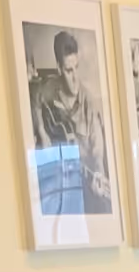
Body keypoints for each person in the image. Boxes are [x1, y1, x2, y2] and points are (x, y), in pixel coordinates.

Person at [29, 27, 113, 217]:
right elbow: (35, 99)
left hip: (85, 181)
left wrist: (99, 173)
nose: (75, 78)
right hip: (58, 180)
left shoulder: (89, 103)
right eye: (68, 70)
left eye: (76, 68)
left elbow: (98, 151)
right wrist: (42, 132)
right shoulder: (49, 88)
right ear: (59, 68)